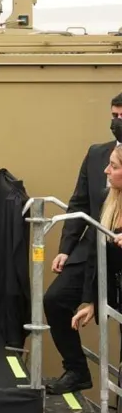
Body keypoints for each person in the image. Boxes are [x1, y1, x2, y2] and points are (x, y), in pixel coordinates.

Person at [43, 92, 122, 393]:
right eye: (113, 116)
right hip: (94, 249)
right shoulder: (97, 154)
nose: (116, 123)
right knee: (56, 300)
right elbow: (78, 204)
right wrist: (66, 248)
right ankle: (76, 370)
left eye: (121, 117)